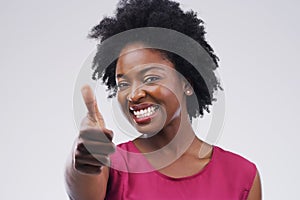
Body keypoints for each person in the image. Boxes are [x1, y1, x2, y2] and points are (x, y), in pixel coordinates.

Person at [65, 0, 262, 199]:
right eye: (123, 84)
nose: (134, 95)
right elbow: (80, 189)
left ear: (187, 83)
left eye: (151, 78)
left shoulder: (242, 176)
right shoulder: (111, 165)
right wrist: (82, 154)